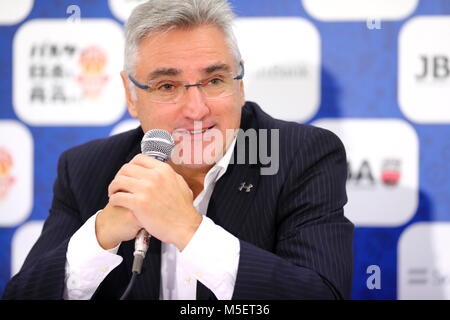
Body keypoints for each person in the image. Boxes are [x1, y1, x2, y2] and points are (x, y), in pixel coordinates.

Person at [3, 0, 354, 300]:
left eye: (215, 80)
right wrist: (101, 235)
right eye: (167, 85)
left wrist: (187, 229)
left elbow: (322, 293)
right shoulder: (86, 169)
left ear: (240, 83)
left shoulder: (299, 155)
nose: (196, 109)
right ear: (131, 95)